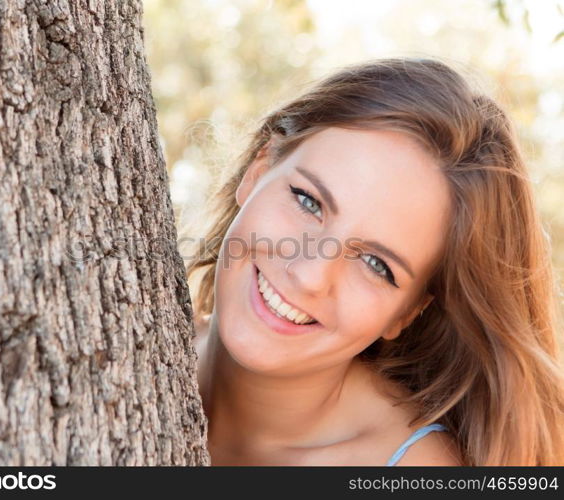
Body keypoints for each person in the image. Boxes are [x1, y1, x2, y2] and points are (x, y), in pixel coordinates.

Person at [181, 57, 564, 466]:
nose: (311, 275)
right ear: (258, 171)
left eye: (376, 264)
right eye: (308, 202)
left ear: (409, 312)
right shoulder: (133, 333)